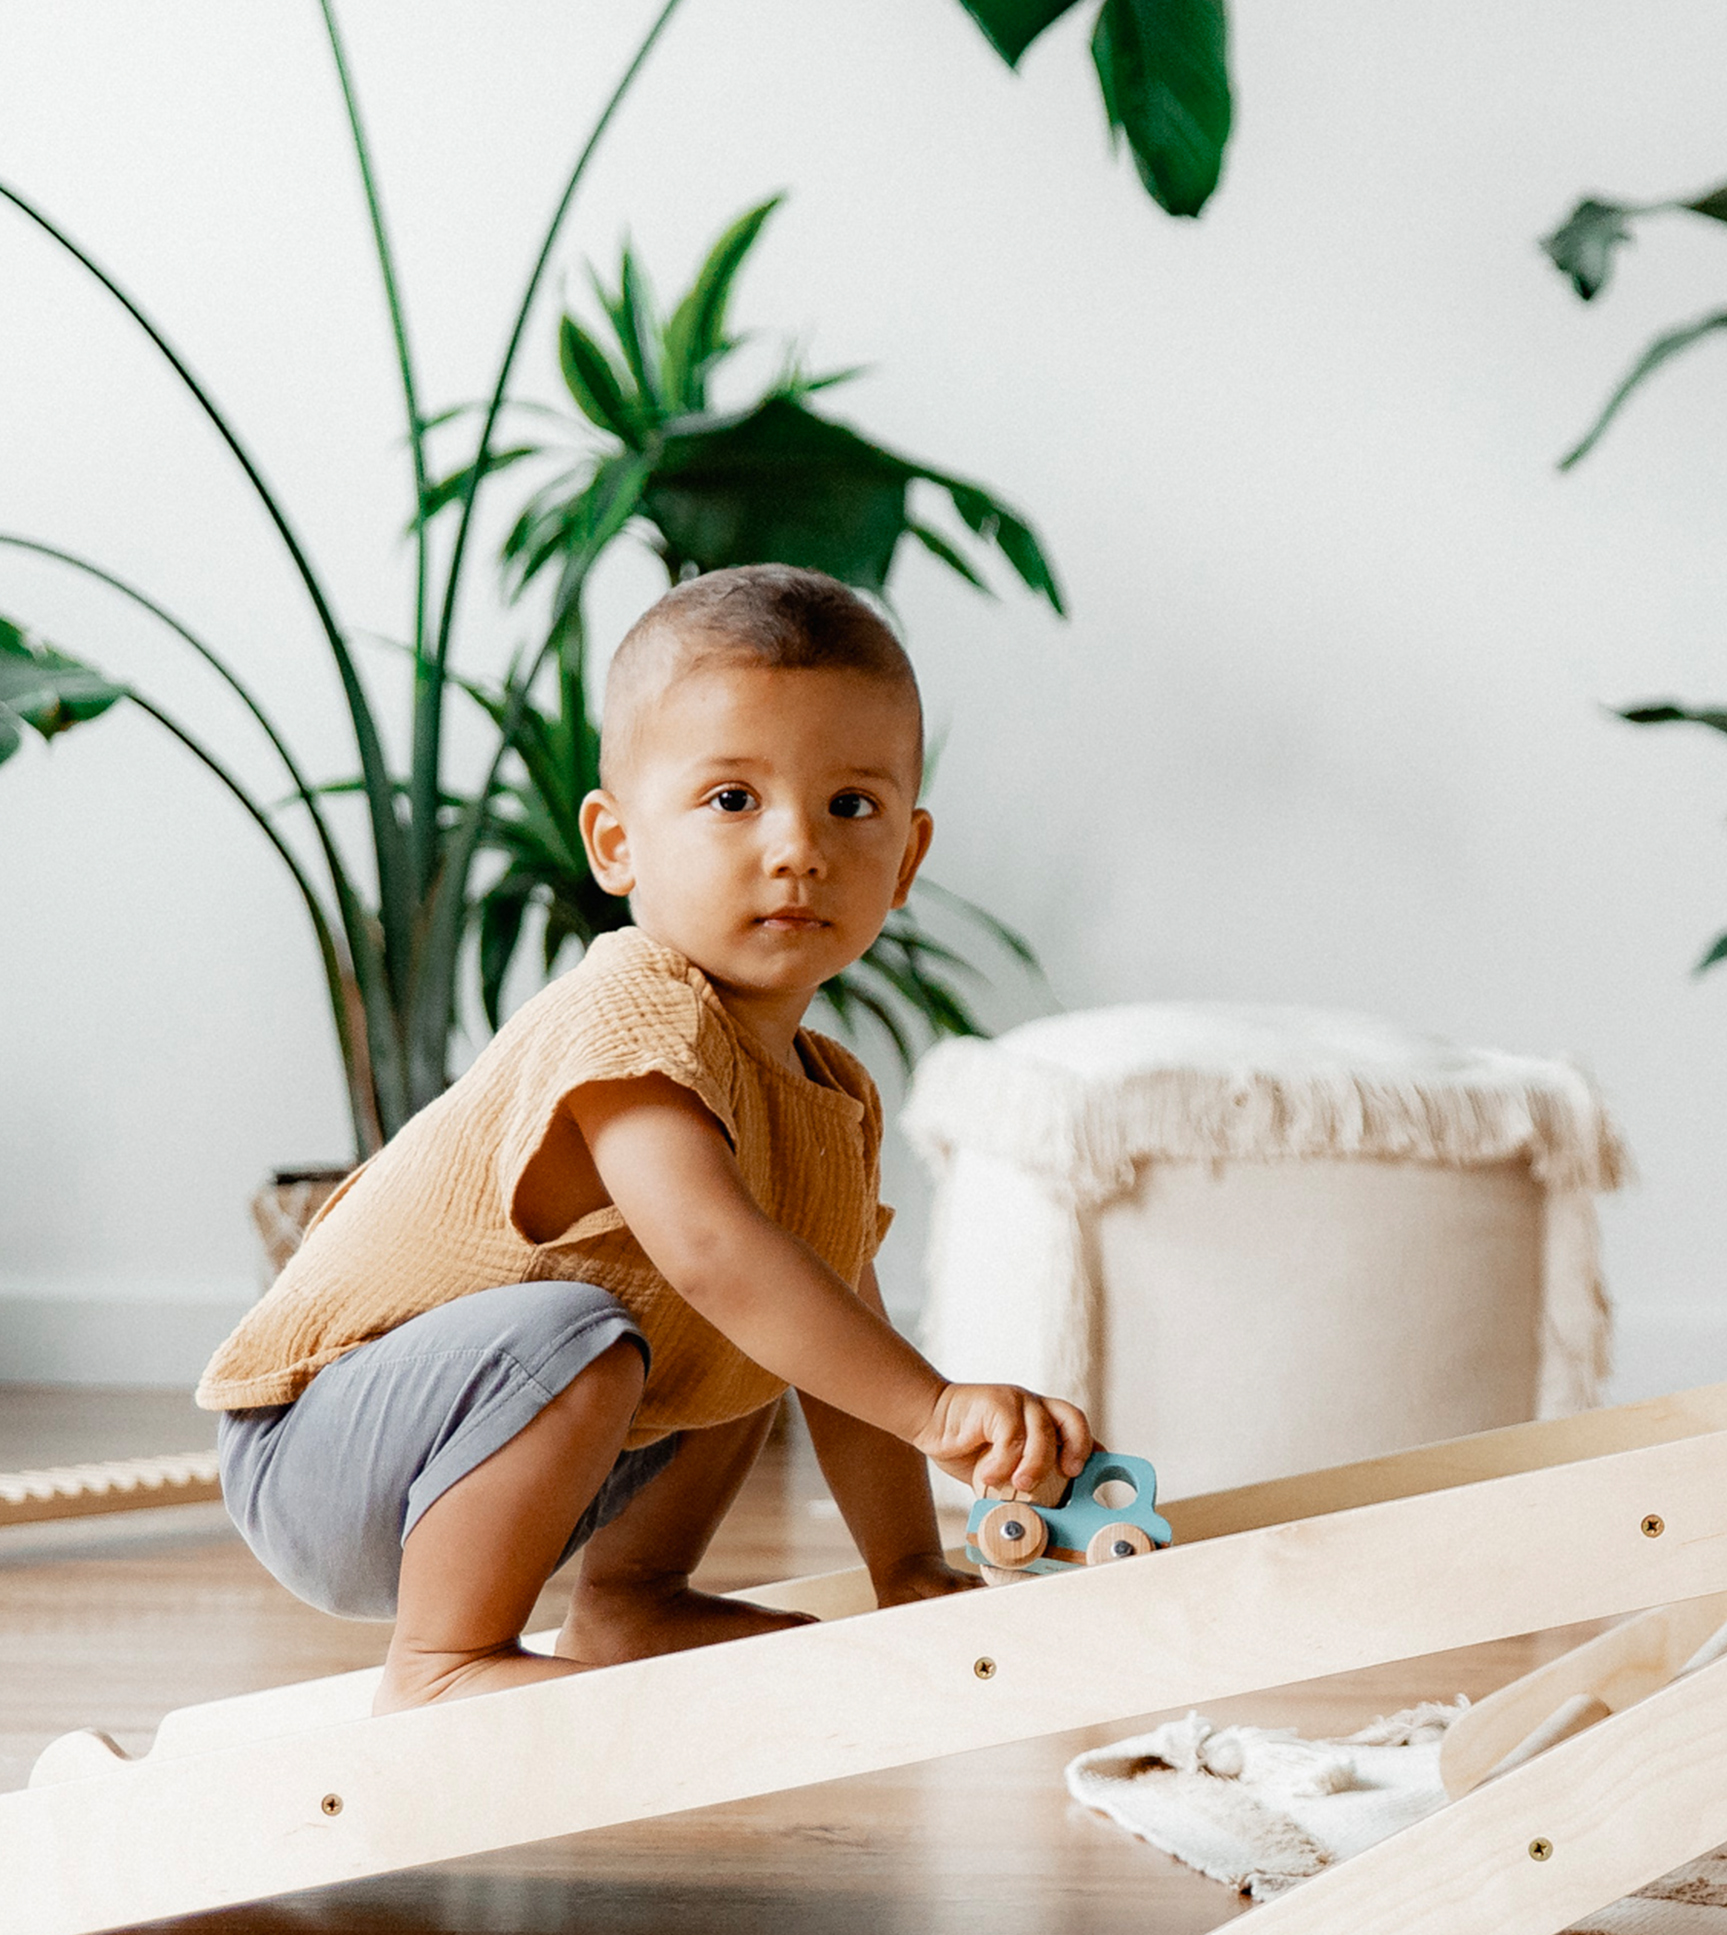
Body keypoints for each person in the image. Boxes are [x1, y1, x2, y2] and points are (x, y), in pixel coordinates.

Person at [200, 563, 1088, 1712]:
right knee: (644, 1310)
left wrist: (909, 1568)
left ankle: (634, 1601)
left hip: (484, 1447)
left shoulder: (832, 1094)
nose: (797, 849)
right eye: (732, 800)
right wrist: (935, 1408)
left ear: (906, 860)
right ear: (616, 844)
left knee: (788, 1311)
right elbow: (712, 1252)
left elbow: (836, 1318)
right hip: (323, 1451)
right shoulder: (630, 1008)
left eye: (850, 807)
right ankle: (440, 1666)